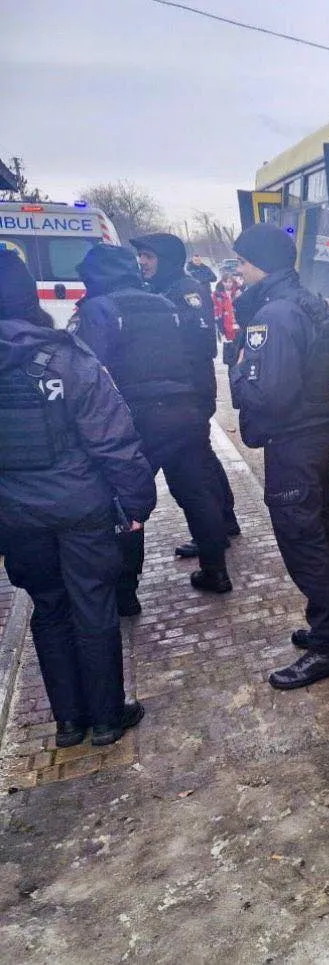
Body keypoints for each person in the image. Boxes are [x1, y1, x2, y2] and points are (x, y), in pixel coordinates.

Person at [0, 250, 155, 746]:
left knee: (48, 608)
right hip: (80, 507)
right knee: (93, 605)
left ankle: (68, 722)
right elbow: (114, 439)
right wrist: (136, 505)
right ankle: (107, 718)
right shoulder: (68, 358)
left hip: (16, 515)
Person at [72, 243, 233, 611]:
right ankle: (216, 571)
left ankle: (126, 594)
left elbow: (85, 372)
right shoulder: (163, 303)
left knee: (126, 503)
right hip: (184, 411)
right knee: (197, 493)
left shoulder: (99, 309)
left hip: (135, 420)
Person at [229, 223, 329, 690]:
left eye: (242, 262)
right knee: (323, 533)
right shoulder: (307, 303)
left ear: (260, 263)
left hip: (292, 440)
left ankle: (328, 649)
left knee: (305, 543)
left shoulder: (275, 314)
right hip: (314, 433)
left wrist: (238, 373)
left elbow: (270, 393)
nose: (239, 272)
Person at [131, 233, 240, 558]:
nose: (143, 262)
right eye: (142, 257)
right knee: (203, 458)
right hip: (184, 393)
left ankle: (215, 531)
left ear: (164, 258)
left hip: (190, 392)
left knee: (195, 469)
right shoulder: (164, 289)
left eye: (149, 257)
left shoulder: (185, 291)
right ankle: (223, 522)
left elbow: (202, 345)